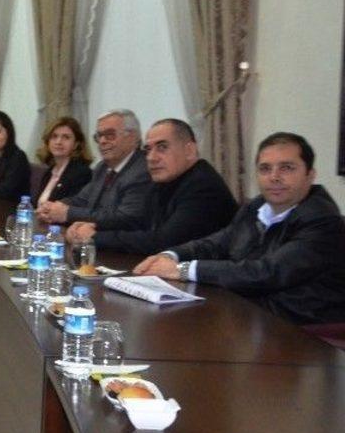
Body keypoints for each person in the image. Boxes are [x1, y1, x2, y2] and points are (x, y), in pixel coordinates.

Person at [135, 132, 345, 325]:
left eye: (287, 168)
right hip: (250, 312)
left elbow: (267, 272)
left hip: (301, 329)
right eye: (265, 169)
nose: (274, 177)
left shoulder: (322, 220)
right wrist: (169, 256)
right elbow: (217, 243)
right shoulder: (257, 206)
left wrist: (181, 270)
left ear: (310, 175)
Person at [67, 119, 237, 255]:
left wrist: (94, 237)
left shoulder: (203, 186)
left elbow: (163, 242)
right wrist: (90, 227)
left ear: (189, 151)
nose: (151, 158)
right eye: (148, 150)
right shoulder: (165, 179)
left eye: (162, 147)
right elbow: (136, 221)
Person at [37, 109, 149, 230]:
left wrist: (67, 213)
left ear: (132, 137)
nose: (102, 141)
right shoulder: (102, 167)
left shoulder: (142, 171)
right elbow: (82, 200)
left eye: (110, 135)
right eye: (99, 136)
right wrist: (54, 207)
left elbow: (123, 218)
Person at [31, 116, 93, 206]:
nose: (58, 142)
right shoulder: (49, 172)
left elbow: (72, 208)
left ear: (76, 144)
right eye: (54, 136)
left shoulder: (81, 173)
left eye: (66, 137)